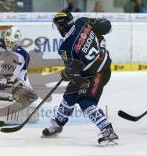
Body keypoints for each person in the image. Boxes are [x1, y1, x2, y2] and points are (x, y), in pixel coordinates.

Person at [42, 11, 118, 145]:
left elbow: (73, 70)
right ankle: (58, 125)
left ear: (61, 26)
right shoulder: (82, 21)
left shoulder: (65, 48)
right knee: (69, 96)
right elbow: (107, 27)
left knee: (85, 101)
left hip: (97, 73)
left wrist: (66, 73)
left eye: (57, 26)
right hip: (98, 66)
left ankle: (108, 131)